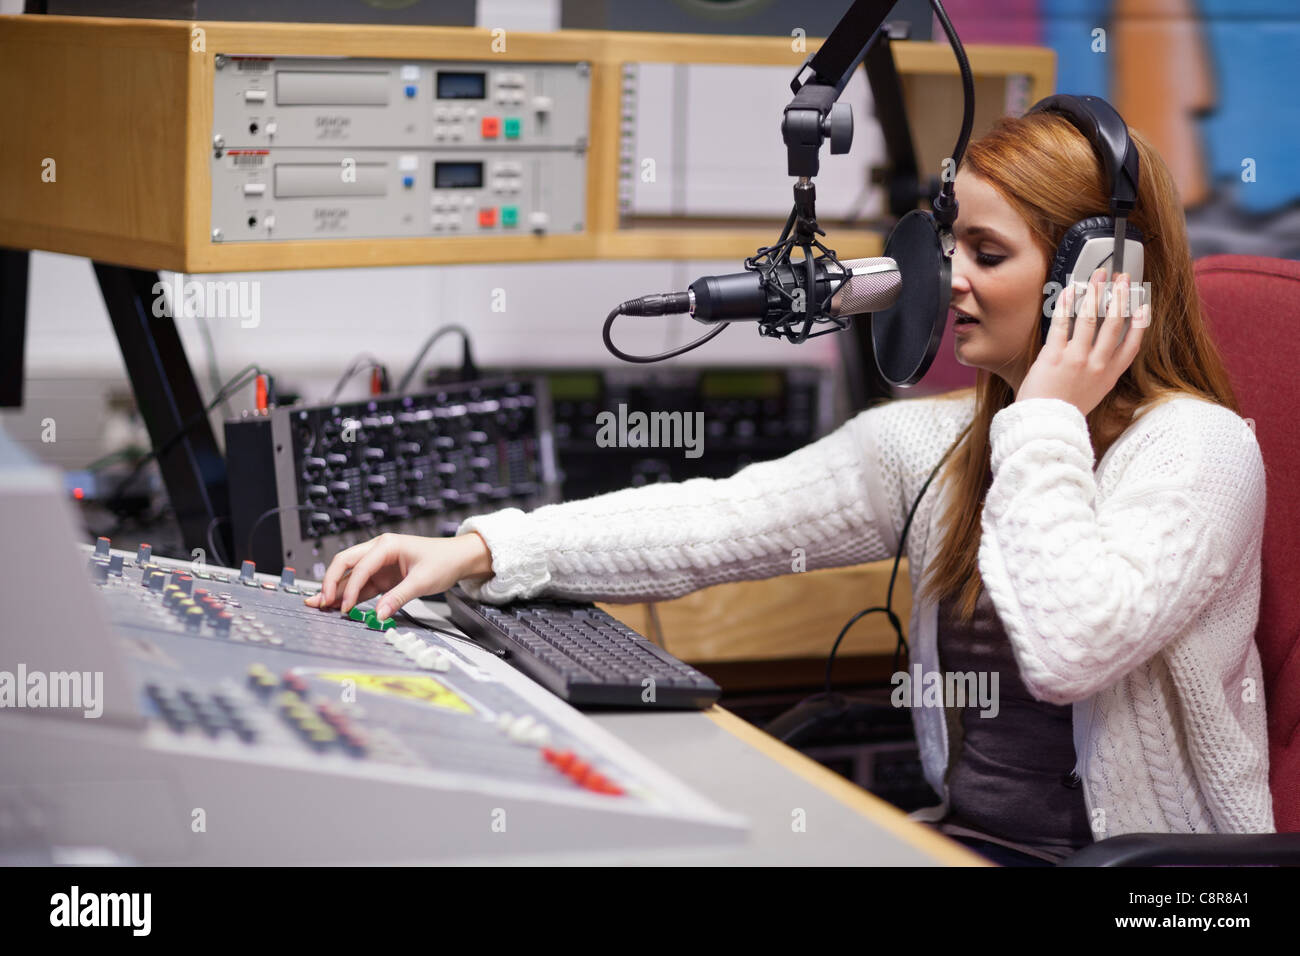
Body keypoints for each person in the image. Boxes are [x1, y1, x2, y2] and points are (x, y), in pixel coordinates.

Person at [306, 109, 1274, 865]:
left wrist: (1048, 413)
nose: (951, 282)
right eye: (952, 251)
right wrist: (479, 547)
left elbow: (1073, 646)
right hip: (963, 846)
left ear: (1093, 278)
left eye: (987, 254)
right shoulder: (945, 444)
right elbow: (720, 518)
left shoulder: (1198, 451)